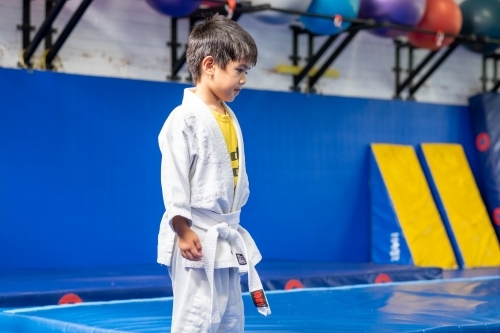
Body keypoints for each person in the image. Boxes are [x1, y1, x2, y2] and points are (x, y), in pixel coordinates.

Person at [157, 14, 271, 333]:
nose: (244, 79)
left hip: (224, 234)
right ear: (210, 65)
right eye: (239, 70)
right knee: (196, 318)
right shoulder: (183, 119)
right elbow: (174, 177)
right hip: (196, 232)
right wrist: (181, 227)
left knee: (230, 317)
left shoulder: (228, 116)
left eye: (245, 71)